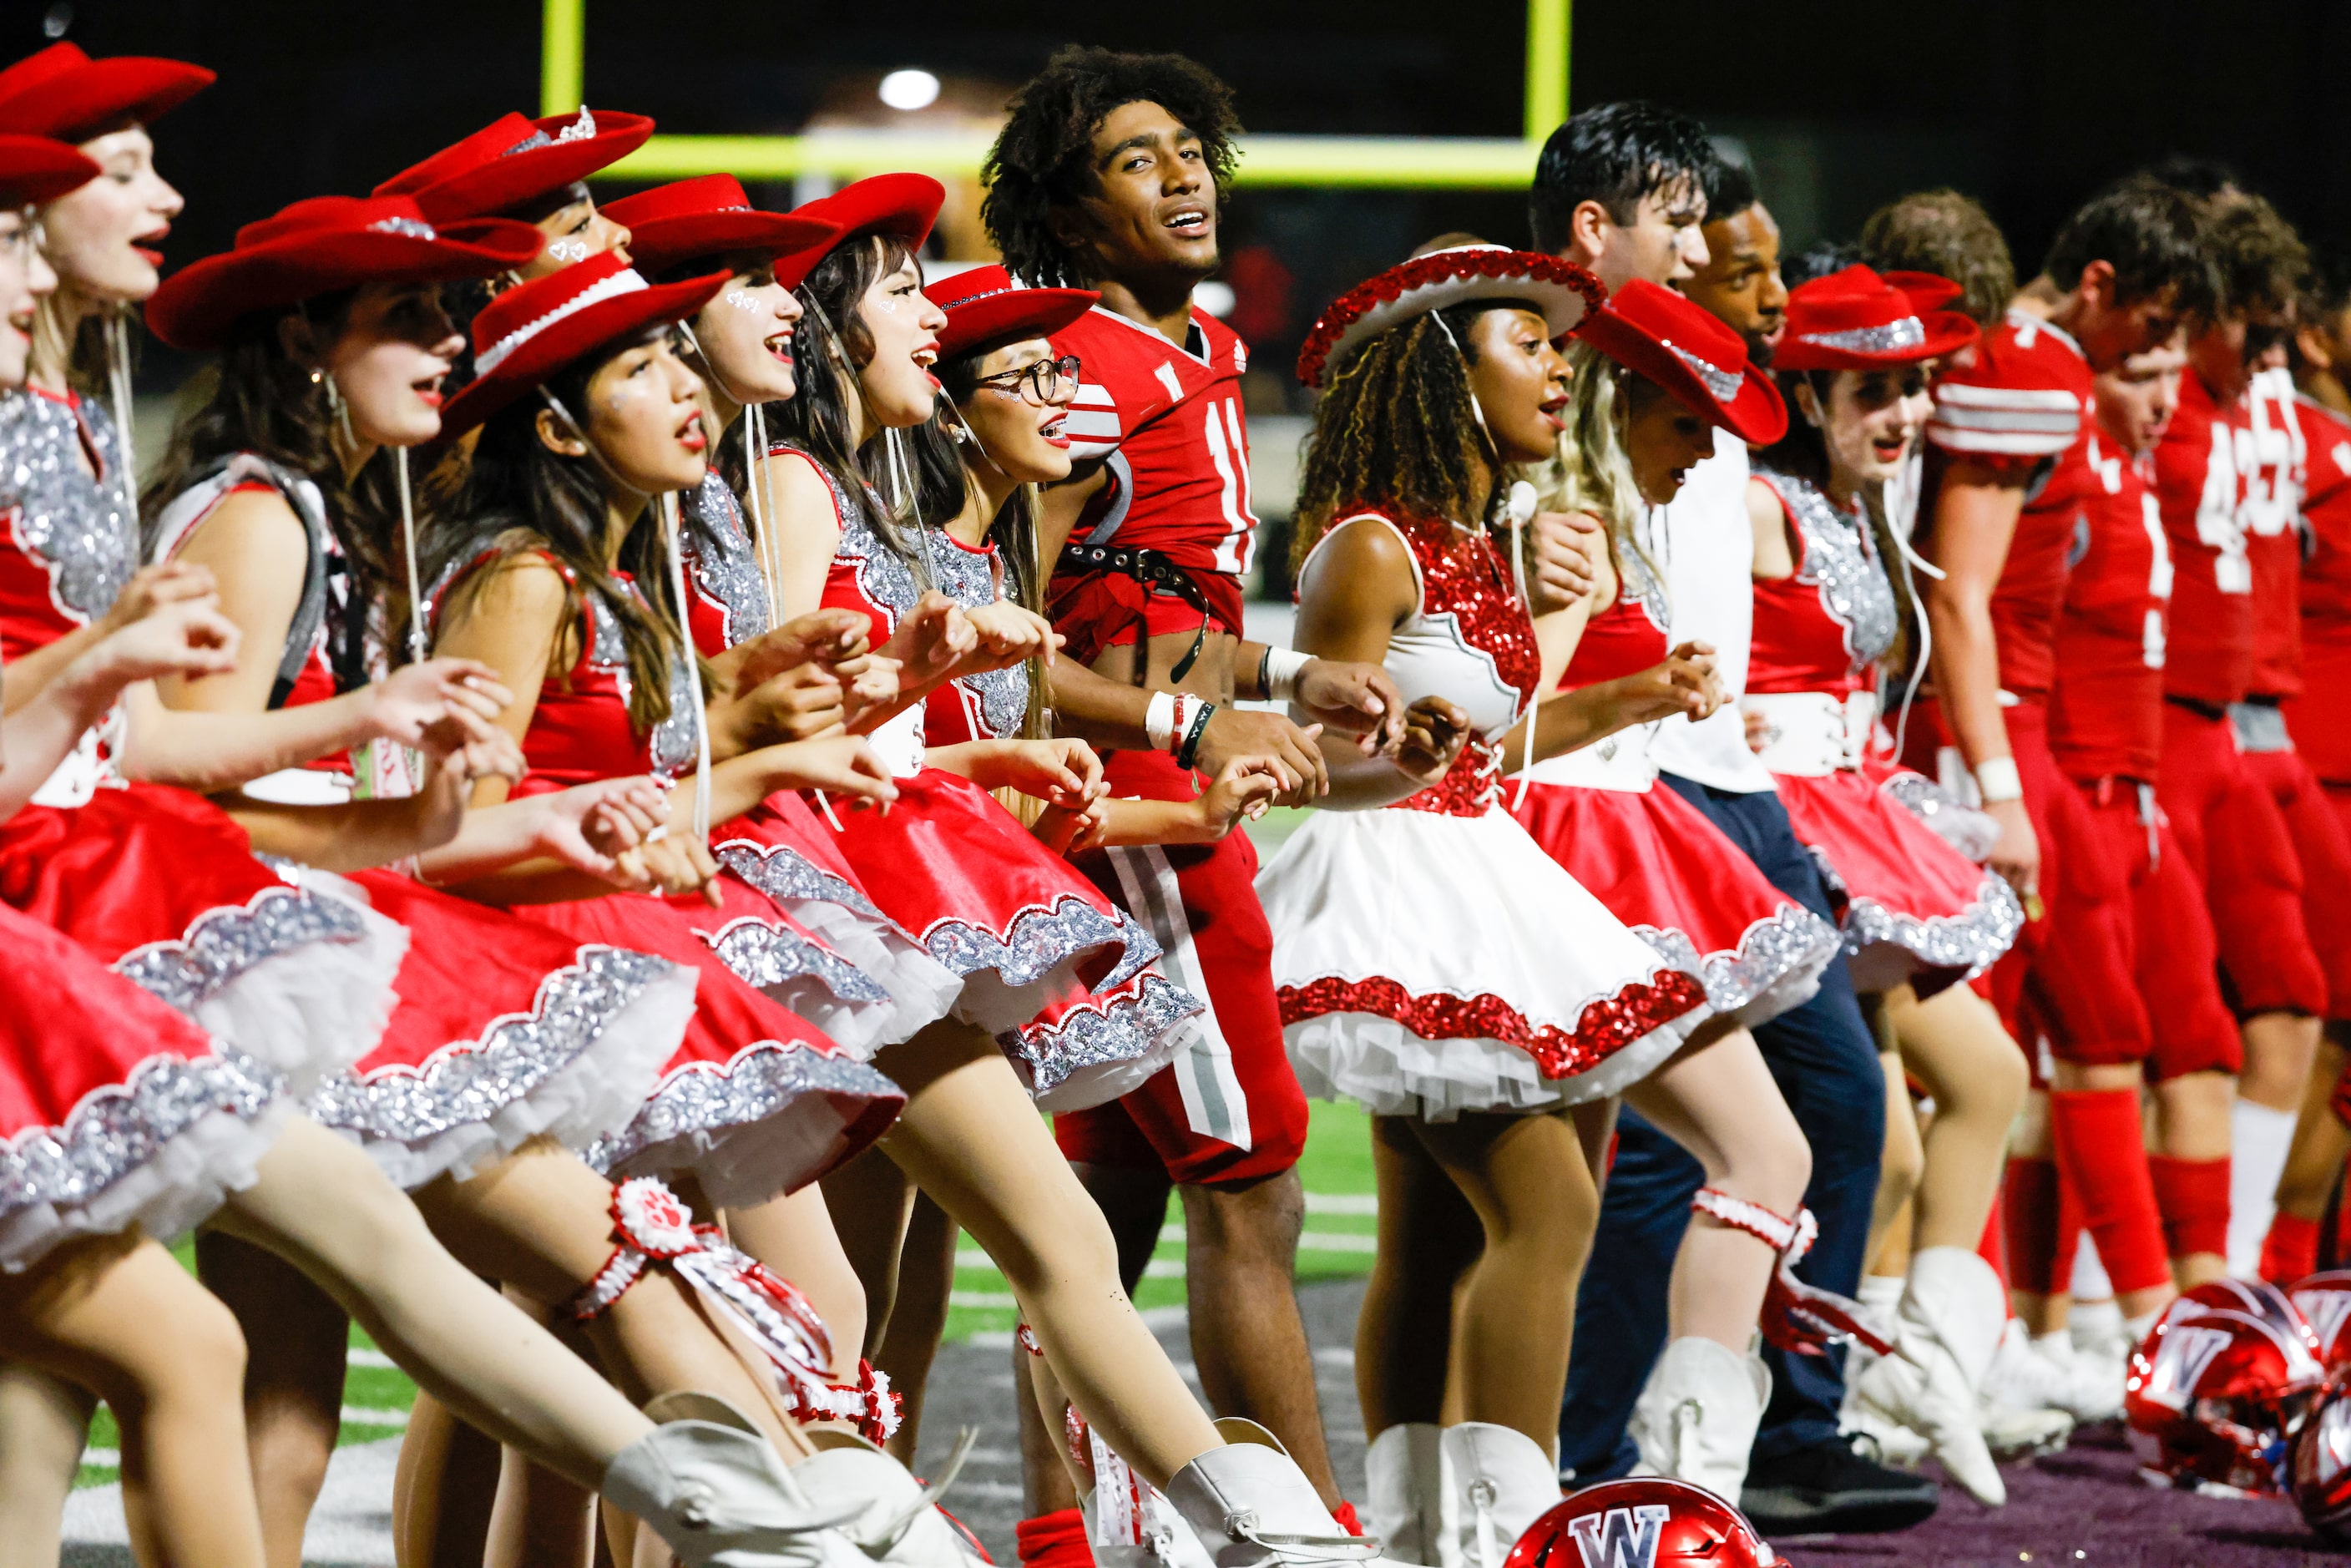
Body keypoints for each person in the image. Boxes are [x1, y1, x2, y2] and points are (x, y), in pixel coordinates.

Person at [439, 243, 1373, 1565]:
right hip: (673, 933)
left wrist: (912, 723)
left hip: (787, 909)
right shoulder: (670, 521)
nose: (927, 319)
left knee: (820, 1315)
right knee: (644, 1341)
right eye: (895, 293)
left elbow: (737, 746)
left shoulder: (693, 530)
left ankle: (1261, 1535)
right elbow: (513, 810)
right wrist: (797, 739)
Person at [137, 192, 933, 1567]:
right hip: (248, 964)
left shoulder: (360, 514)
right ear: (305, 344)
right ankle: (821, 1524)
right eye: (413, 317)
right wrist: (408, 773)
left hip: (317, 947)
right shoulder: (281, 520)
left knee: (264, 1386)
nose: (448, 343)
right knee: (601, 1279)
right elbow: (170, 791)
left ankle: (807, 1516)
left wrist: (688, 780)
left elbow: (361, 806)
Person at [983, 47, 1407, 1542]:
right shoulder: (1076, 370)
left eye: (1188, 149)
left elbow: (1177, 612)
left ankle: (1055, 1535)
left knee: (1101, 1206)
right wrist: (1182, 723)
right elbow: (1007, 651)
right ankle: (1304, 1534)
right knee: (1253, 1181)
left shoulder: (1200, 356)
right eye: (1133, 159)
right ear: (1064, 204)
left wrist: (1289, 687)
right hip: (1130, 814)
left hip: (1165, 777)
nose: (1180, 178)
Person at [1267, 241, 1732, 1563]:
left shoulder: (1476, 536)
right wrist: (1383, 746)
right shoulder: (1369, 547)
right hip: (1397, 881)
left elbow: (1485, 738)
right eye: (1528, 341)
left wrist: (1634, 696)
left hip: (1477, 864)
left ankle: (1425, 1533)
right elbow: (1322, 749)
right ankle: (1513, 1534)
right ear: (1440, 366)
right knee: (1549, 1214)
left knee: (1430, 1231)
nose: (1559, 361)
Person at [1534, 109, 1927, 1535]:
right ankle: (1581, 1462)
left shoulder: (1668, 388)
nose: (1723, 268)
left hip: (1689, 793)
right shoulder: (1544, 379)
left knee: (1764, 1128)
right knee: (1554, 1186)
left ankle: (1692, 1457)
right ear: (1597, 229)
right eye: (1693, 230)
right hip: (1590, 804)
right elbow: (1513, 665)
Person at [1740, 265, 2031, 1502]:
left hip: (1861, 819)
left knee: (1964, 1093)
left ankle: (1897, 1367)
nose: (1906, 411)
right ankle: (1806, 1397)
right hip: (1784, 836)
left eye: (1915, 384)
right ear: (1807, 394)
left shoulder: (1859, 504)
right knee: (1876, 1135)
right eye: (1875, 389)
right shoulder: (1758, 505)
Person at [1914, 175, 2212, 1376]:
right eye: (2150, 335)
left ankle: (1998, 1325)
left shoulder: (2050, 372)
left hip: (2030, 734)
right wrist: (1994, 774)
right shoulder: (2031, 367)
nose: (2158, 372)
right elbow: (1963, 595)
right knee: (1987, 1051)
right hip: (2013, 731)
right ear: (2098, 286)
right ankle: (2057, 1329)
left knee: (1997, 1056)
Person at [2141, 193, 2325, 1281]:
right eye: (2249, 327)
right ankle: (2105, 1297)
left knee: (2292, 995)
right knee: (2149, 1032)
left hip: (2248, 725)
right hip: (2149, 728)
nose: (2270, 351)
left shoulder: (2264, 396)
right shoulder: (2143, 396)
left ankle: (2242, 1275)